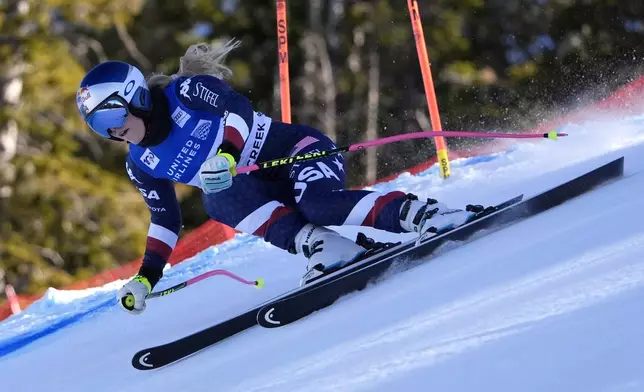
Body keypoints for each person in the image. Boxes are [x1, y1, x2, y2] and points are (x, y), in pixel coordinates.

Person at [76, 40, 484, 315]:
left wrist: (226, 154)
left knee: (319, 203)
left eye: (112, 116)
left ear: (137, 97)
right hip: (262, 189)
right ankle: (325, 247)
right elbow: (165, 220)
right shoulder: (140, 161)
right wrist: (146, 277)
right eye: (99, 126)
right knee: (217, 200)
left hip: (297, 152)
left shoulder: (184, 92)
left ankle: (425, 215)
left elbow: (237, 110)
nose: (112, 131)